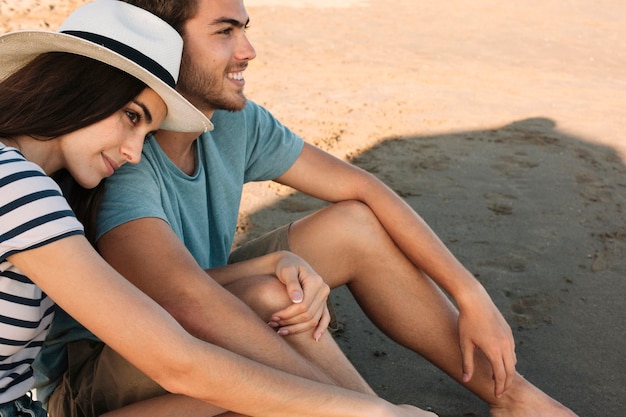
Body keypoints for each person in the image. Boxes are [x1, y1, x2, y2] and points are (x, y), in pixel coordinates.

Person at [36, 0, 578, 416]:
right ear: (165, 47)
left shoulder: (230, 122)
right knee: (279, 297)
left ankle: (512, 396)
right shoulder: (118, 157)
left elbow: (364, 189)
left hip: (191, 312)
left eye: (245, 30)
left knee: (353, 226)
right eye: (225, 31)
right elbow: (187, 303)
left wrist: (470, 292)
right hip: (107, 369)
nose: (247, 50)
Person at [0, 1, 441, 417]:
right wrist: (371, 410)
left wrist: (266, 263)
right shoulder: (19, 189)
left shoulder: (41, 186)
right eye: (132, 117)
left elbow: (152, 303)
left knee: (265, 386)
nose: (135, 152)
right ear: (82, 87)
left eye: (147, 128)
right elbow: (179, 362)